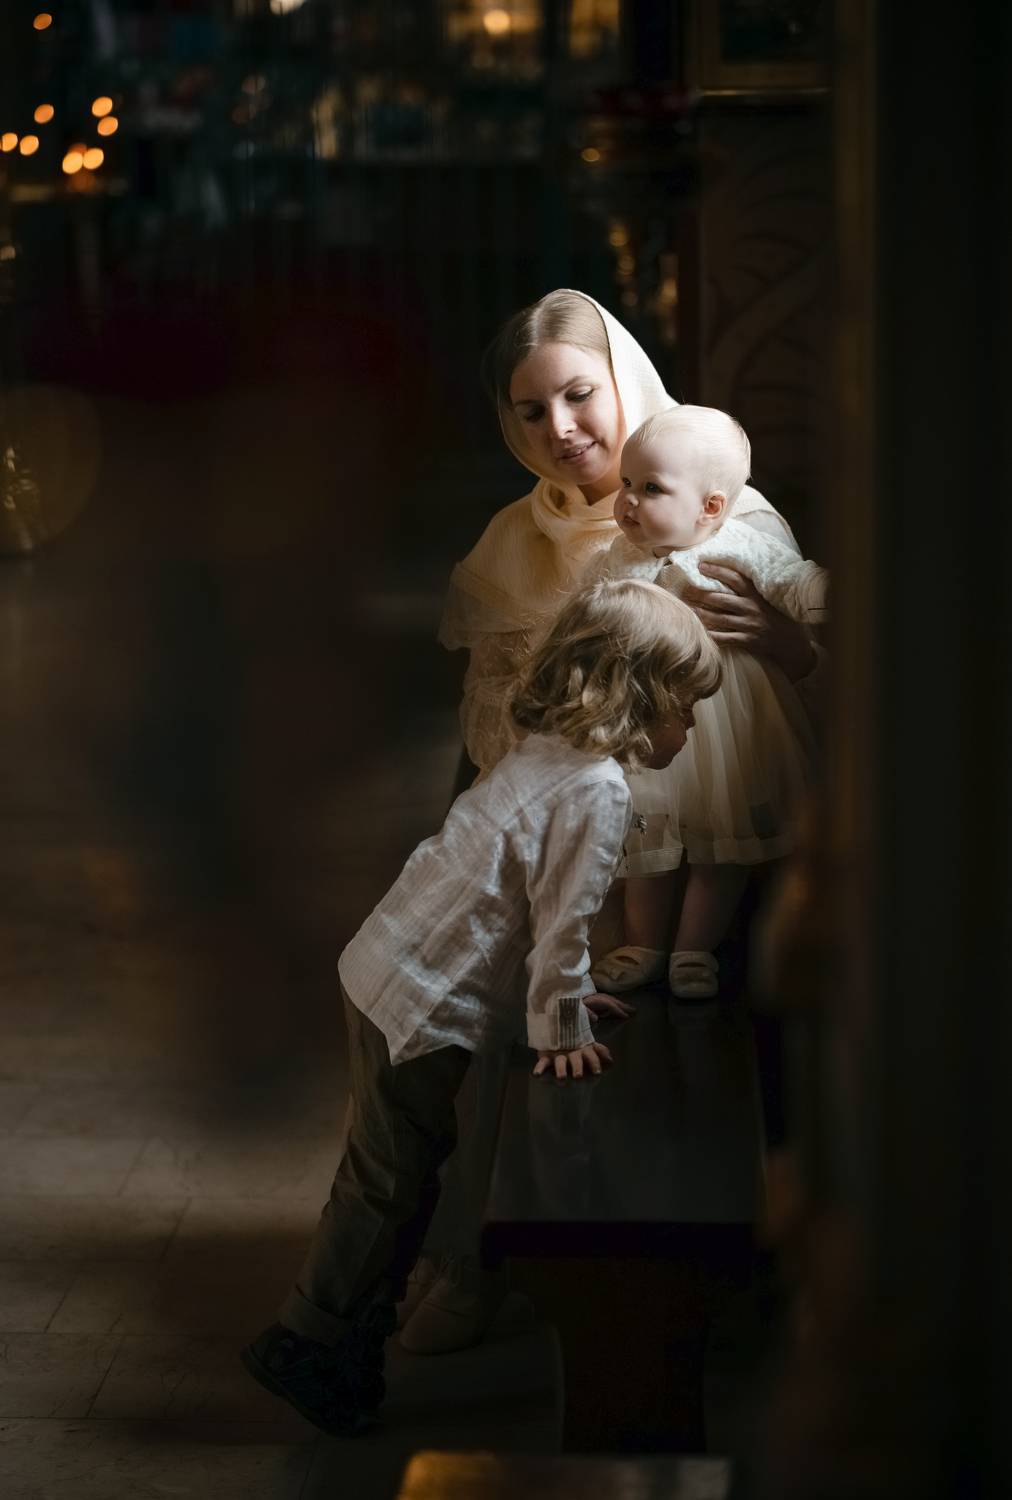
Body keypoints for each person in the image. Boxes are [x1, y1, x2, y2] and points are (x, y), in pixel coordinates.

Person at [403, 288, 820, 1355]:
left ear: (624, 383)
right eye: (530, 410)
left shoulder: (725, 509)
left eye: (580, 395)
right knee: (487, 1020)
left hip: (705, 820)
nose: (562, 430)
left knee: (702, 1032)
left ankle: (681, 1291)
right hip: (552, 809)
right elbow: (495, 727)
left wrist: (788, 646)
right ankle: (480, 1261)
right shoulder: (516, 540)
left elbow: (814, 680)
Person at [241, 578, 722, 1437]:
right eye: (685, 705)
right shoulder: (597, 790)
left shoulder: (548, 749)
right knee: (392, 1182)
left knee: (385, 1168)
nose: (690, 727)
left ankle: (336, 1335)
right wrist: (561, 1027)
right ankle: (308, 1343)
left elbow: (531, 904)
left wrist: (569, 994)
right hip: (422, 1001)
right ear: (637, 695)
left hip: (386, 966)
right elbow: (563, 920)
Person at [585, 405, 825, 1001]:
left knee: (722, 843)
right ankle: (645, 943)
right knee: (646, 833)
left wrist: (825, 592)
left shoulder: (738, 545)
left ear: (711, 507)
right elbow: (591, 608)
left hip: (726, 713)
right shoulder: (620, 554)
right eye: (627, 484)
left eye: (651, 489)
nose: (628, 501)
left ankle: (695, 948)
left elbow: (791, 579)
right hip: (649, 713)